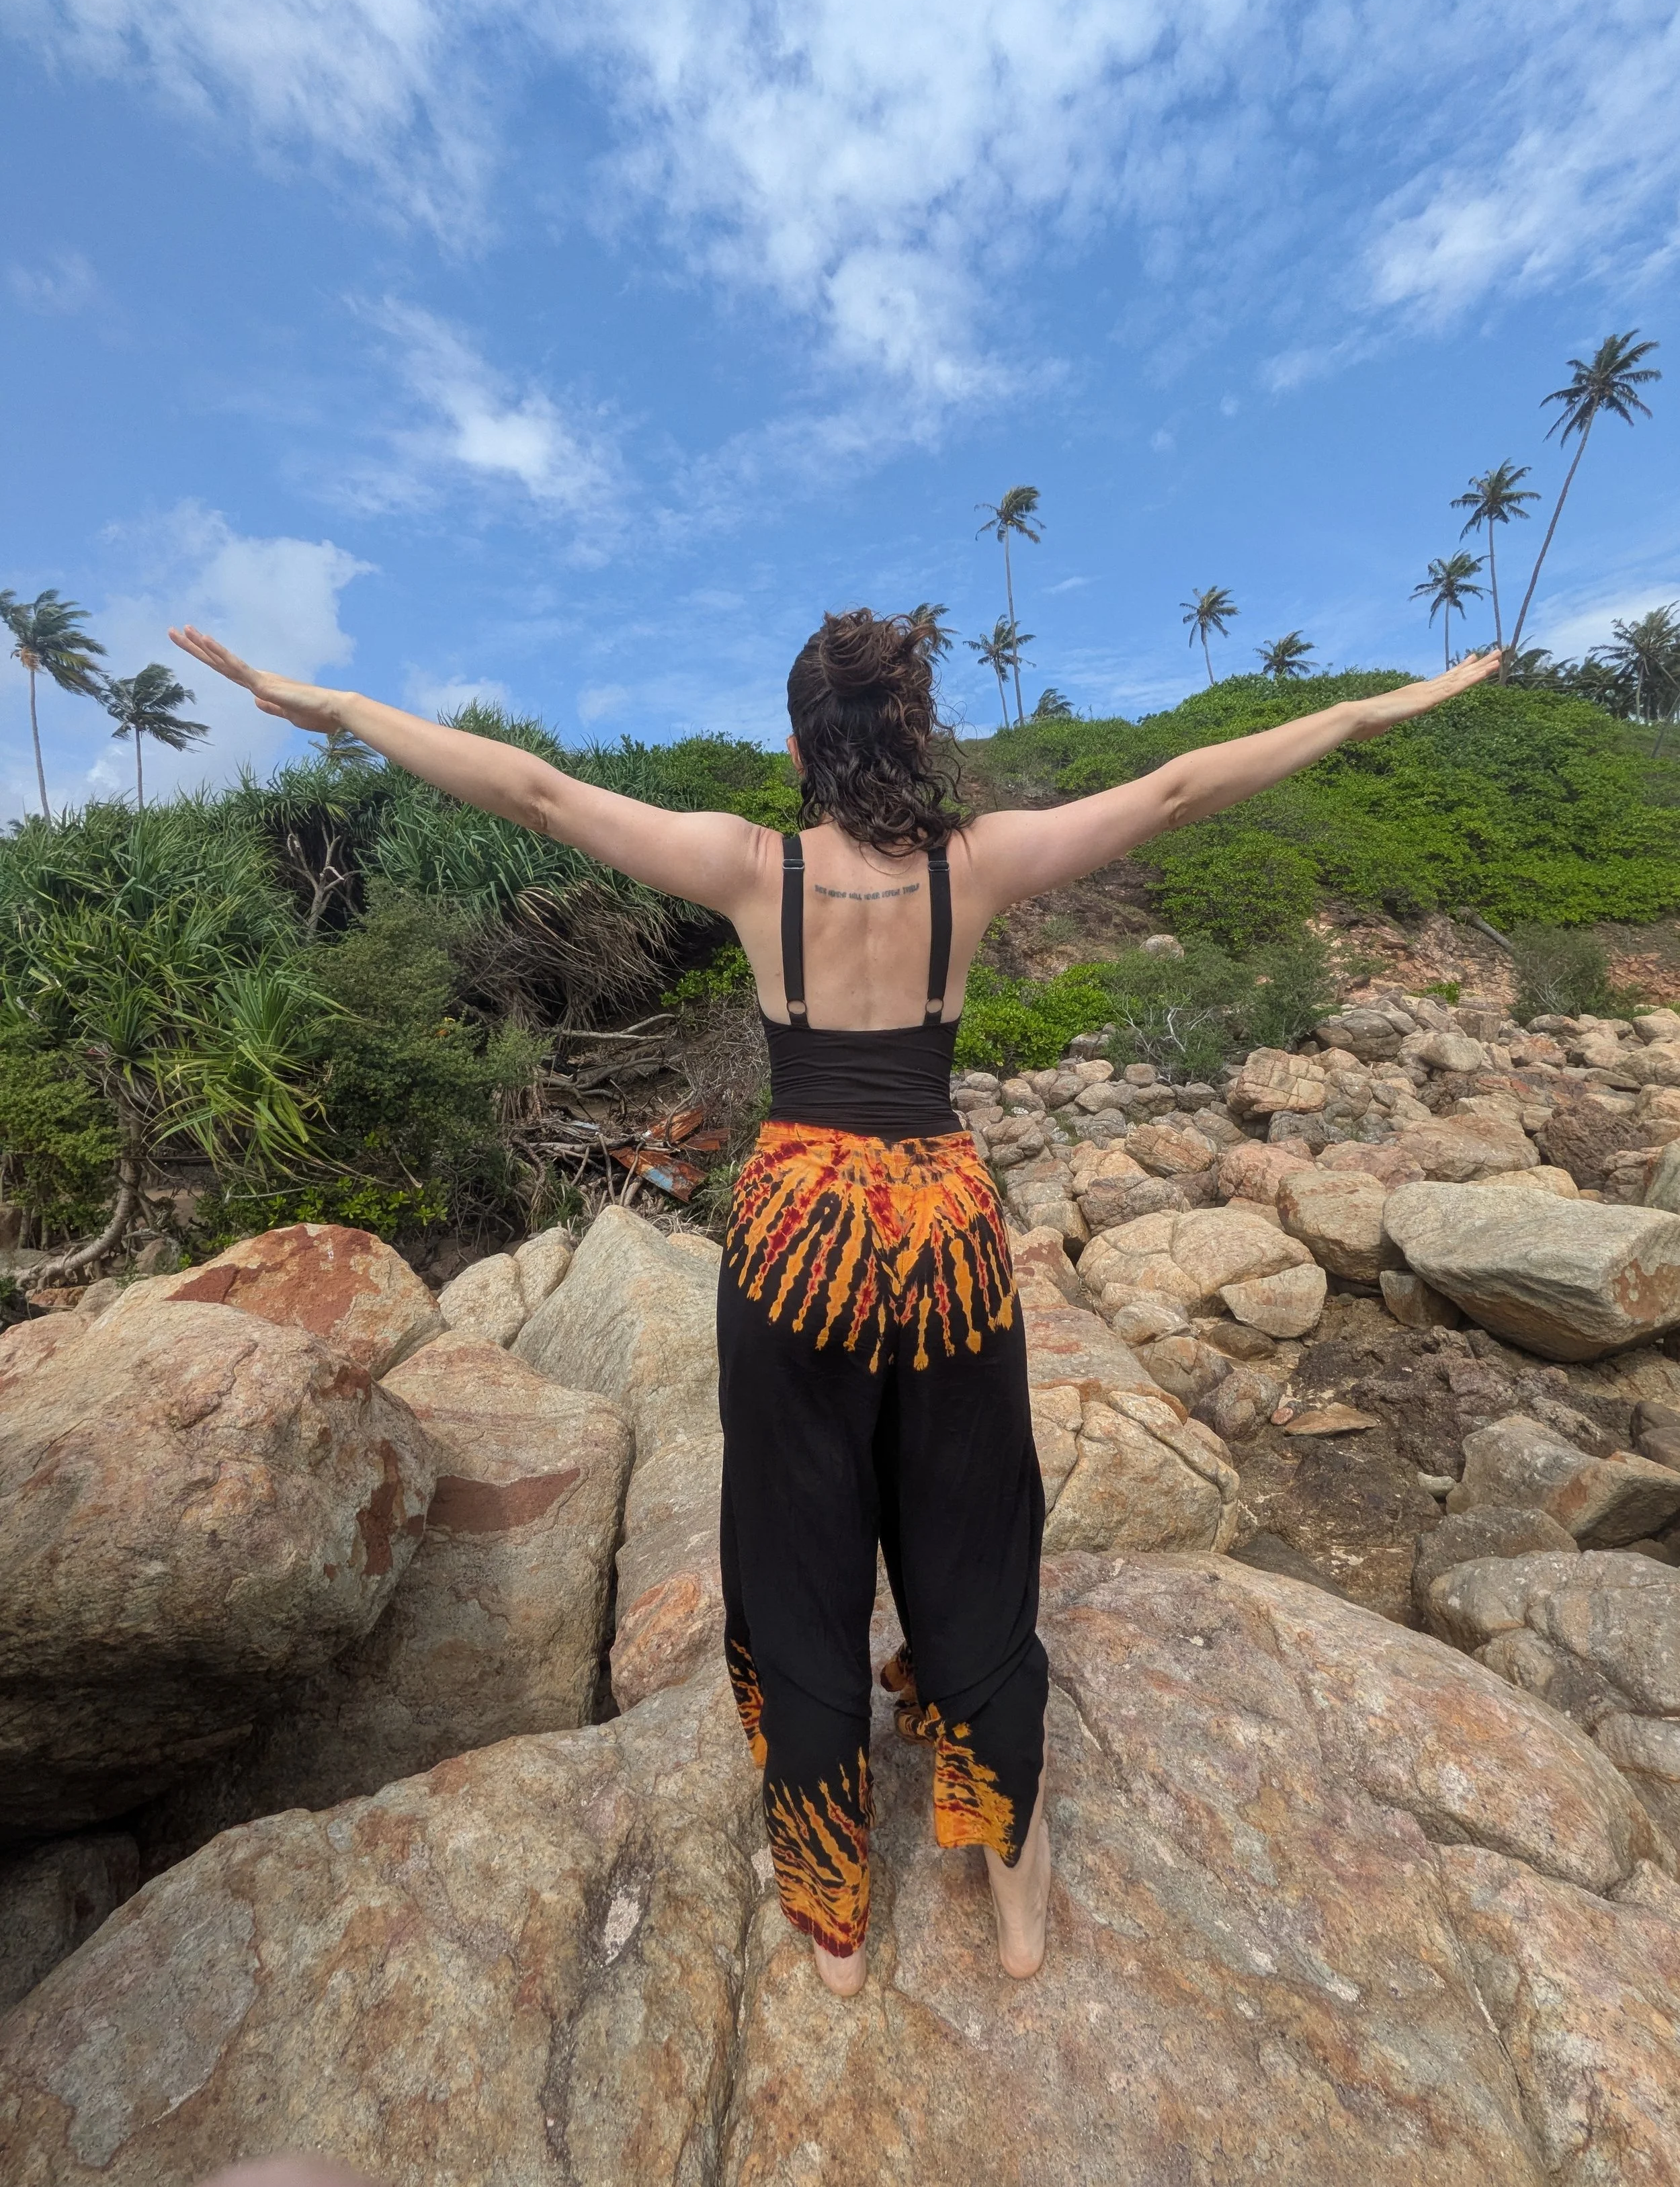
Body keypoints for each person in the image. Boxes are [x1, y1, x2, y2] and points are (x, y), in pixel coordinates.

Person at [170, 611, 1502, 1997]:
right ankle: (1015, 1881)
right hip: (943, 1230)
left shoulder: (750, 868)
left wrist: (333, 703)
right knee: (969, 1531)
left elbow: (535, 789)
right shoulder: (974, 868)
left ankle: (835, 1908)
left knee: (800, 1548)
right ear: (912, 737)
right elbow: (1175, 785)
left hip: (796, 1230)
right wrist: (1366, 711)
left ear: (797, 747)